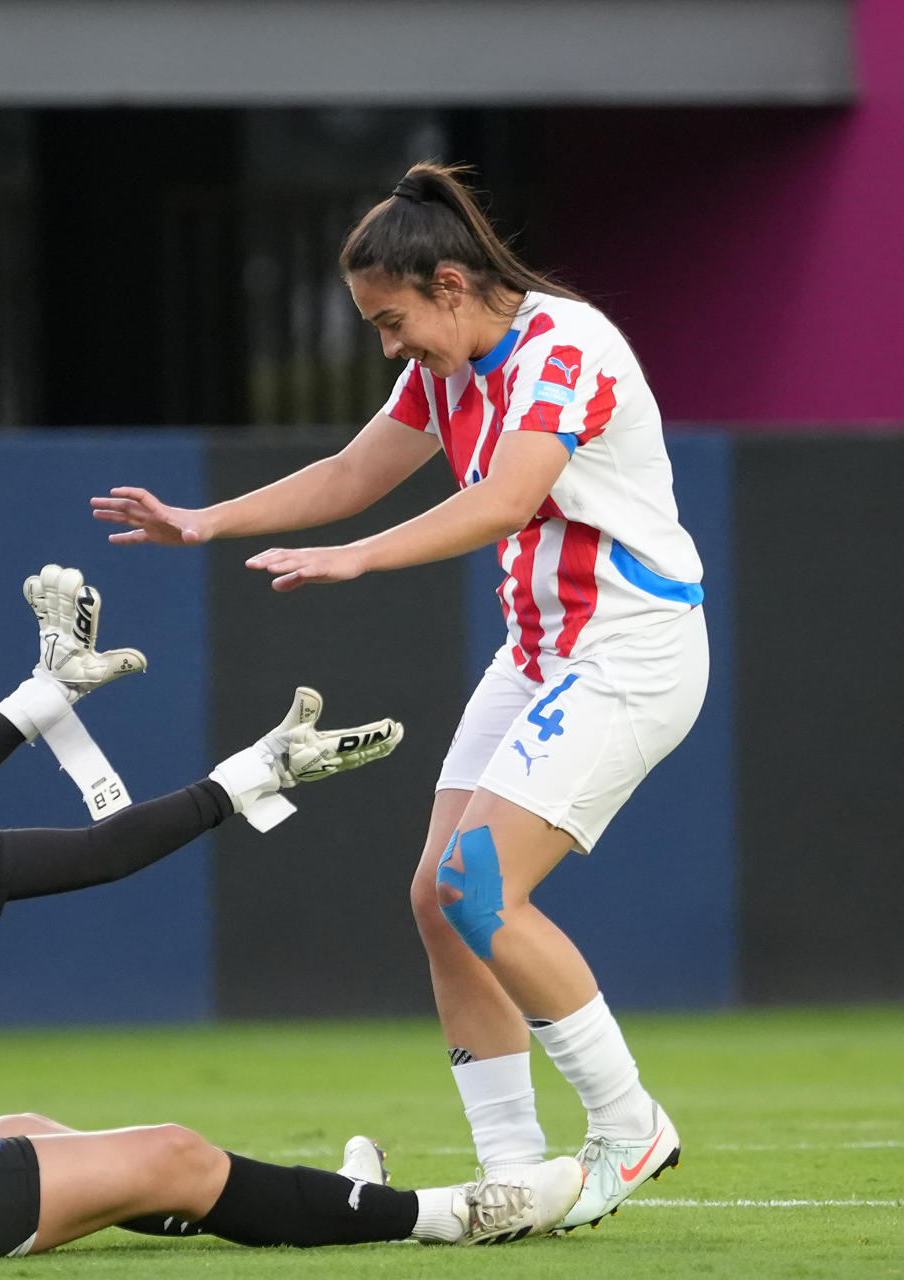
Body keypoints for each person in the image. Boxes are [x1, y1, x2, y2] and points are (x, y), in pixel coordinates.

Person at [91, 162, 706, 1232]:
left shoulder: (568, 346)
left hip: (628, 649)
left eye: (393, 320)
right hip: (540, 651)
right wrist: (201, 520)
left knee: (479, 884)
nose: (390, 346)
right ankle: (510, 1165)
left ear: (454, 285)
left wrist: (359, 561)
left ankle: (628, 1123)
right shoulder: (449, 364)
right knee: (438, 898)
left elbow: (507, 498)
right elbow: (347, 472)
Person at [0, 564, 584, 1260]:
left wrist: (42, 698)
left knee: (35, 1133)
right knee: (176, 1155)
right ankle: (451, 1215)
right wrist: (241, 781)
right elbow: (97, 853)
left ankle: (302, 1202)